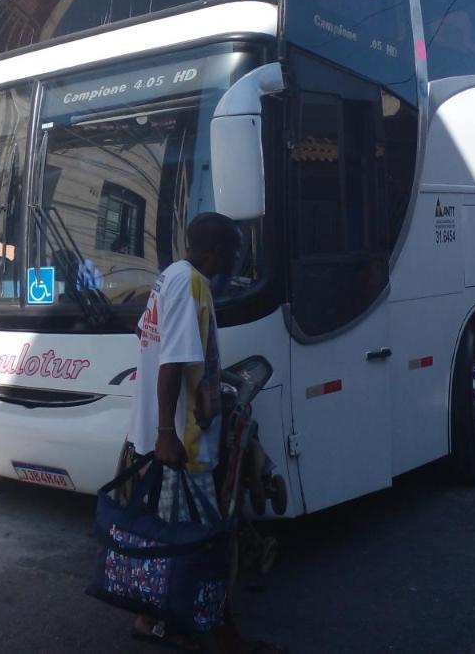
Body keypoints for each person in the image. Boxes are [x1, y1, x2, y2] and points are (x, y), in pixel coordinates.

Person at [127, 212, 275, 653]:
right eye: (232, 251)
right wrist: (167, 433)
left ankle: (150, 621)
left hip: (172, 437)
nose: (234, 261)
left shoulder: (169, 277)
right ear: (215, 251)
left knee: (170, 538)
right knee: (206, 545)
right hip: (183, 446)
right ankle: (227, 639)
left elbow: (154, 342)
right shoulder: (193, 284)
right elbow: (172, 363)